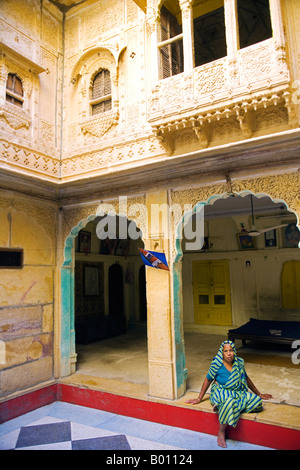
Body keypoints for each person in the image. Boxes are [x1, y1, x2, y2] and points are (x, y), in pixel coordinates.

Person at [185, 340, 273, 448]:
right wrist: (199, 398)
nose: (229, 353)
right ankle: (221, 432)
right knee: (229, 401)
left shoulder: (239, 363)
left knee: (257, 402)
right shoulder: (217, 364)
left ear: (234, 351)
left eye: (231, 350)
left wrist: (258, 393)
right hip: (220, 391)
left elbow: (246, 378)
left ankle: (223, 407)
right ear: (222, 353)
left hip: (237, 393)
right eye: (226, 351)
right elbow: (207, 380)